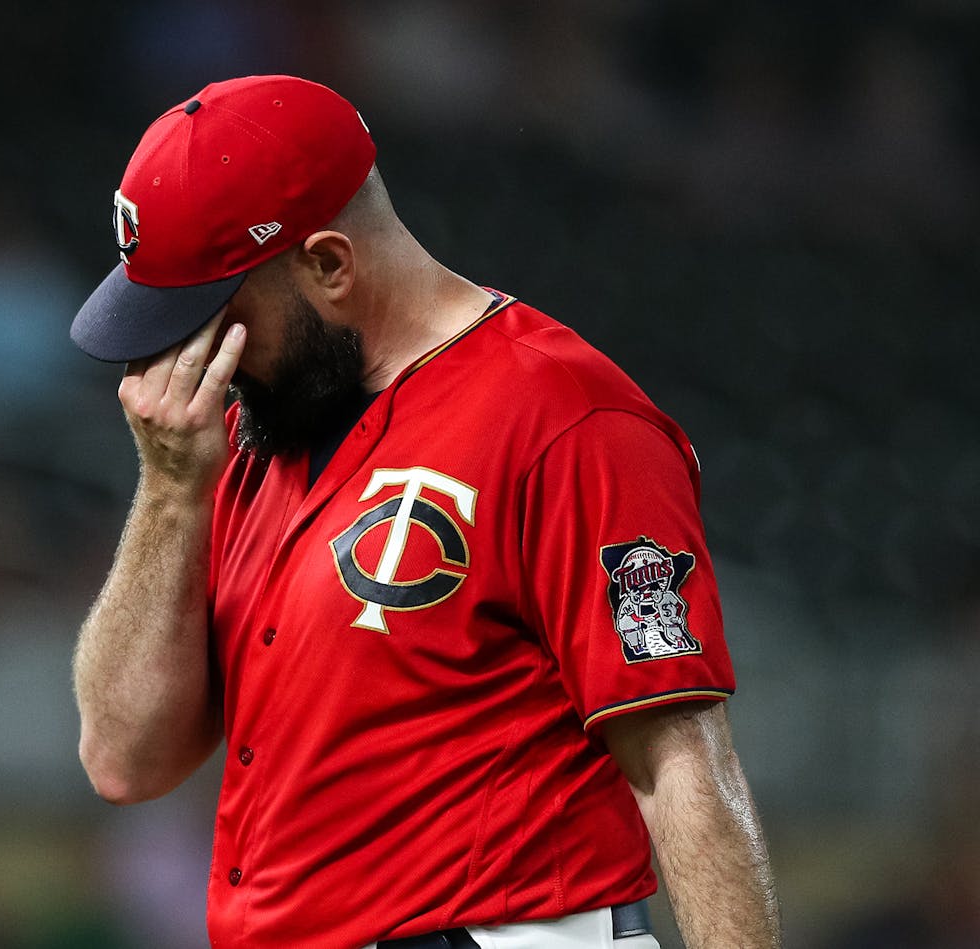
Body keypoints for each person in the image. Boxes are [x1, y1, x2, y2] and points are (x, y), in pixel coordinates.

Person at [69, 74, 781, 949]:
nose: (193, 353)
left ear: (328, 263)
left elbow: (685, 768)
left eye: (217, 313)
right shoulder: (244, 433)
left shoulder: (567, 418)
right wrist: (171, 494)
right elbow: (123, 758)